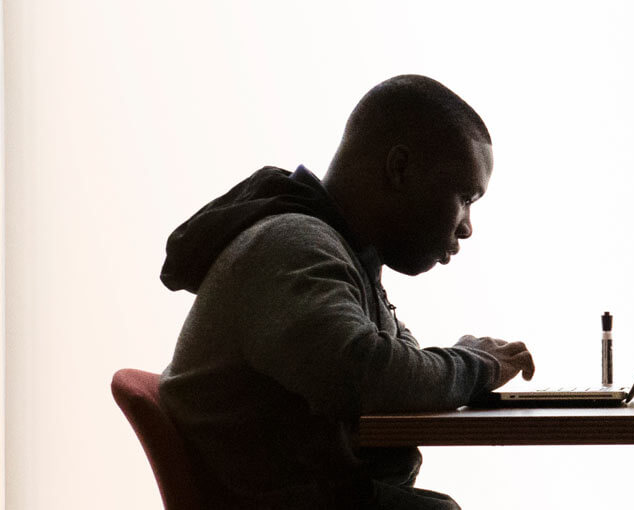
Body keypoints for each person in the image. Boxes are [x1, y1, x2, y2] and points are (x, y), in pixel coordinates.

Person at [157, 75, 535, 510]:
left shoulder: (341, 255)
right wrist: (476, 367)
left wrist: (464, 364)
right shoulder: (292, 245)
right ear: (399, 168)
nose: (467, 226)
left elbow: (395, 366)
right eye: (465, 196)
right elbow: (369, 375)